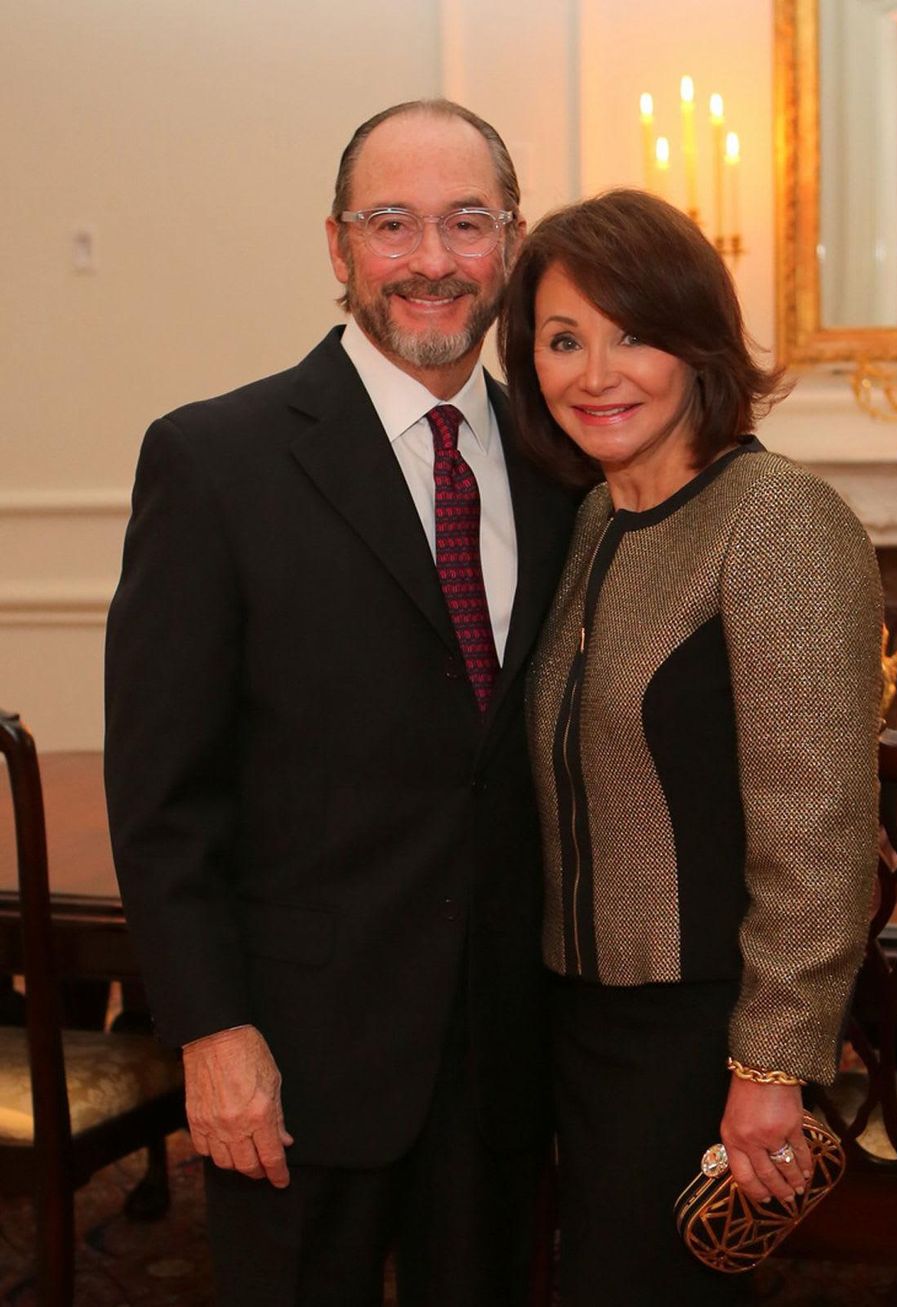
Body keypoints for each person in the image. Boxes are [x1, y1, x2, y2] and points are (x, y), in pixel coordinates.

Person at [104, 99, 575, 1307]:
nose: (431, 259)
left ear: (509, 244)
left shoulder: (564, 461)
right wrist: (211, 1033)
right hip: (295, 1062)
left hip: (504, 1060)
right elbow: (164, 795)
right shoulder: (217, 461)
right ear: (336, 247)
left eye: (466, 222)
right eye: (392, 223)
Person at [498, 189, 882, 1306]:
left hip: (700, 1035)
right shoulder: (590, 518)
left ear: (696, 342)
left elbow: (819, 828)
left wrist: (770, 1064)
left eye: (633, 334)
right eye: (563, 340)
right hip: (577, 1013)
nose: (594, 372)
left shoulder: (776, 520)